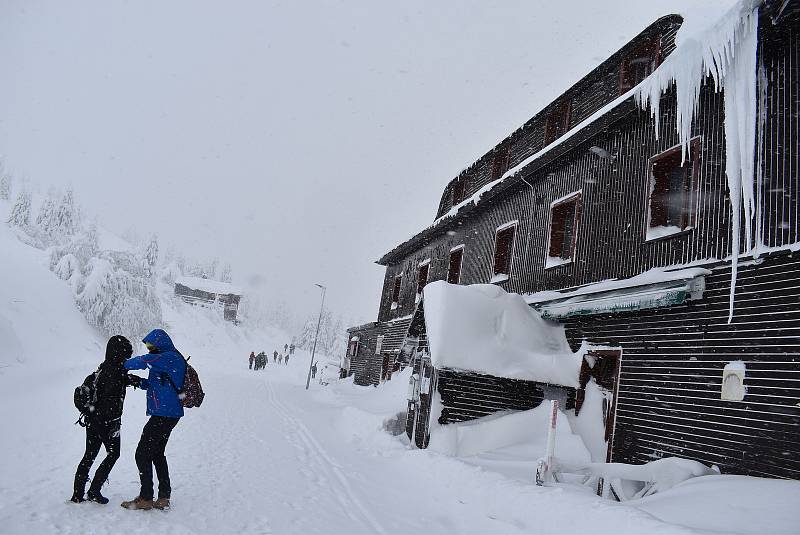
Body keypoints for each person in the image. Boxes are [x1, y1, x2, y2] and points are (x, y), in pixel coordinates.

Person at [121, 329, 187, 511]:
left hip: (165, 414)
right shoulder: (166, 361)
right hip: (168, 413)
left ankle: (146, 498)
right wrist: (137, 382)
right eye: (148, 346)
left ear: (160, 343)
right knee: (157, 453)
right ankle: (164, 496)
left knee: (141, 454)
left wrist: (121, 364)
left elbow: (144, 361)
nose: (149, 349)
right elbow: (154, 384)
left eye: (151, 346)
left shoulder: (169, 357)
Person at [71, 335, 141, 504]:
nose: (127, 358)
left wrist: (131, 379)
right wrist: (112, 423)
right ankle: (94, 490)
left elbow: (110, 387)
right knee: (113, 454)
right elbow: (111, 400)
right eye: (126, 354)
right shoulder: (117, 372)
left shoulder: (102, 369)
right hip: (107, 423)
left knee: (89, 455)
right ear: (120, 353)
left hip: (92, 420)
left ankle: (77, 495)